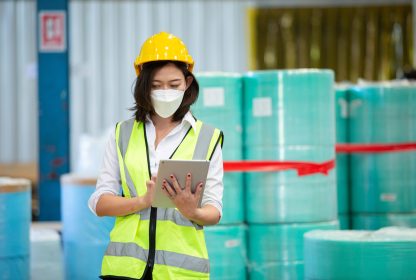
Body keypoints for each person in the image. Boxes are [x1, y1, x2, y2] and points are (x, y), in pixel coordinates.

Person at [88, 32, 224, 280]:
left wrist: (192, 211)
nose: (165, 92)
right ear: (143, 84)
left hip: (181, 273)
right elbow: (99, 202)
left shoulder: (208, 137)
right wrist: (142, 201)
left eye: (174, 85)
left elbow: (214, 210)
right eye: (156, 86)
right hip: (124, 271)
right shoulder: (122, 133)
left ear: (188, 82)